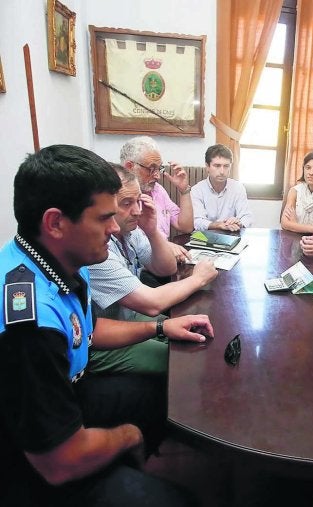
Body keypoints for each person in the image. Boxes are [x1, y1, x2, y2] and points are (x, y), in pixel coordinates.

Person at [0, 145, 212, 506]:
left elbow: (89, 331)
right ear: (55, 222)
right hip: (35, 465)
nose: (114, 228)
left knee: (155, 397)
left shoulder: (62, 256)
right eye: (103, 219)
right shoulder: (30, 322)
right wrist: (127, 436)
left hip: (69, 395)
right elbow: (57, 462)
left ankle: (125, 471)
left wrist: (159, 329)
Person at [88, 165, 218, 375]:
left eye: (138, 201)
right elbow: (151, 303)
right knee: (183, 361)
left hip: (128, 319)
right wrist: (198, 279)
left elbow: (165, 268)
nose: (138, 211)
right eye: (126, 203)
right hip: (103, 339)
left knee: (196, 337)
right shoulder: (96, 247)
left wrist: (152, 231)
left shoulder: (129, 230)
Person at [120, 136, 194, 263]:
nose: (158, 176)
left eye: (159, 168)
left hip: (164, 259)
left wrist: (184, 190)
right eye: (151, 169)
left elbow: (185, 227)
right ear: (129, 167)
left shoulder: (158, 190)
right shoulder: (118, 198)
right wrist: (164, 246)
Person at [191, 144, 253, 231]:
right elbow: (197, 221)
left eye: (226, 166)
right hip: (205, 237)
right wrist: (218, 225)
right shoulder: (197, 190)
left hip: (231, 235)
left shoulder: (238, 188)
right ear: (207, 167)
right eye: (217, 166)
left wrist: (239, 222)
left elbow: (247, 217)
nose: (222, 171)